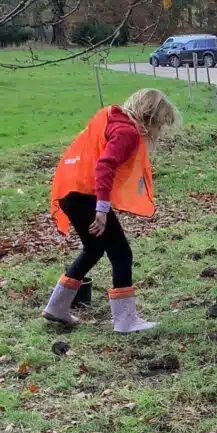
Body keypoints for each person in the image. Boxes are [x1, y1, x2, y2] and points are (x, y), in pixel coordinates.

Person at [44, 89, 181, 333]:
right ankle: (126, 320)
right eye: (160, 124)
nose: (160, 132)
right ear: (150, 117)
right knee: (121, 253)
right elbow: (104, 165)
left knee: (95, 248)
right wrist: (102, 208)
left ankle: (57, 307)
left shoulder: (114, 121)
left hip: (71, 193)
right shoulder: (127, 132)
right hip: (86, 196)